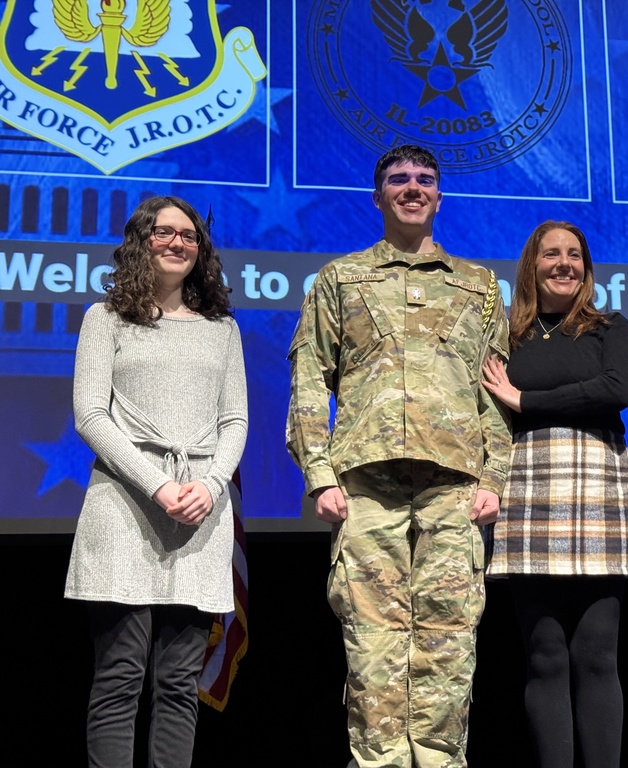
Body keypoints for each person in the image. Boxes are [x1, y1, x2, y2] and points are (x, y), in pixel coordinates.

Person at [286, 144, 511, 767]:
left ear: (440, 195)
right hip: (365, 486)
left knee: (448, 646)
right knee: (373, 649)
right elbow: (310, 380)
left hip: (453, 488)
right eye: (398, 180)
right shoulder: (340, 278)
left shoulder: (480, 286)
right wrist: (319, 475)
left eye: (425, 179)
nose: (413, 188)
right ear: (378, 195)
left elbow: (495, 390)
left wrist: (494, 475)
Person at [65, 196, 248, 767]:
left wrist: (212, 486)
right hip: (123, 508)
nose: (177, 243)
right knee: (120, 677)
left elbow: (235, 419)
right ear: (140, 241)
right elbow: (91, 415)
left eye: (189, 236)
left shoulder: (221, 328)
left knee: (177, 682)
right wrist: (157, 485)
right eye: (164, 233)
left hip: (200, 514)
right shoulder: (105, 319)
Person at [482, 221, 628, 767]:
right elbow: (489, 404)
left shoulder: (609, 326)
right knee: (545, 654)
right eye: (551, 253)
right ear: (532, 263)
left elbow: (617, 389)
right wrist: (531, 401)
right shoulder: (507, 335)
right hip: (529, 486)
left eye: (574, 254)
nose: (564, 263)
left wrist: (526, 400)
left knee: (597, 652)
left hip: (598, 486)